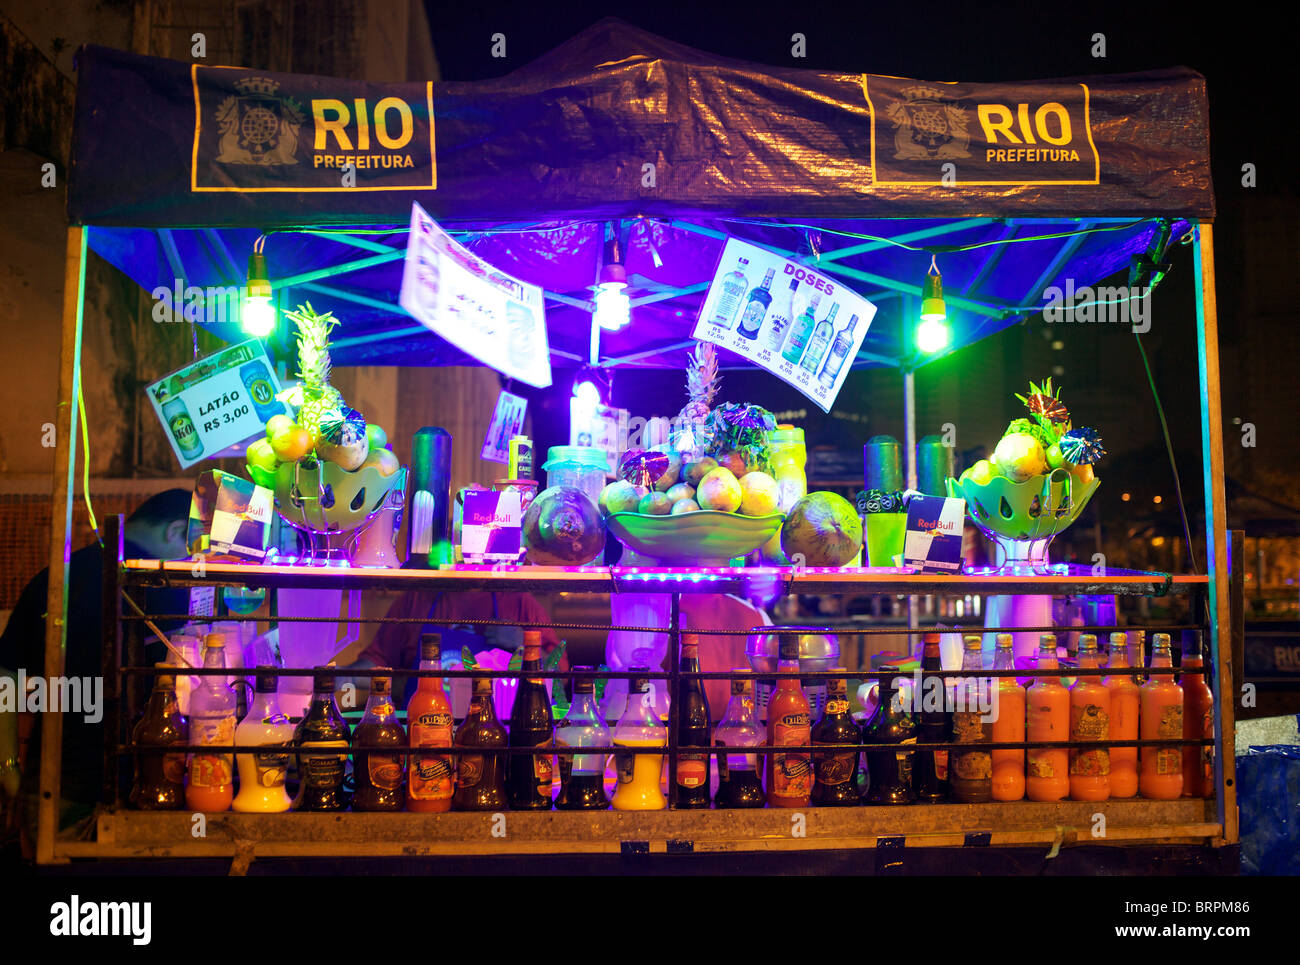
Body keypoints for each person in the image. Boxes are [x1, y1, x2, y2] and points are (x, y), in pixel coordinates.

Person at [0, 488, 193, 853]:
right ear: (174, 531)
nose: (194, 557)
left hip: (53, 788)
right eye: (193, 544)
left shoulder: (56, 579)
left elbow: (5, 676)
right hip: (148, 787)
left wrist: (9, 770)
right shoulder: (169, 586)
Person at [351, 589, 566, 706]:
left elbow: (558, 678)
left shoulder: (519, 602)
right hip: (423, 730)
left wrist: (521, 641)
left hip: (498, 735)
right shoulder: (415, 599)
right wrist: (343, 679)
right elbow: (377, 662)